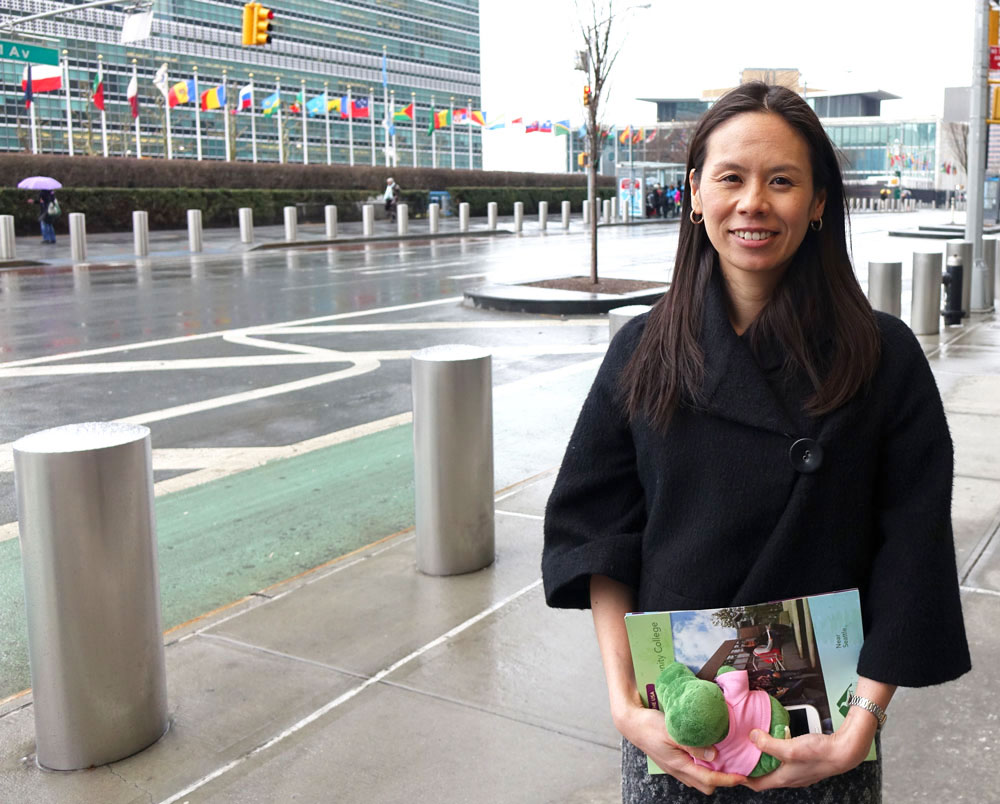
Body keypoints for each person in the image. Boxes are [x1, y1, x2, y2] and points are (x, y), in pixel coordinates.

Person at [542, 82, 970, 802]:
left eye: (781, 181)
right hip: (677, 724)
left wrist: (860, 726)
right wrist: (623, 703)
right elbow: (598, 533)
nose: (753, 203)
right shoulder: (643, 351)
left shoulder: (882, 356)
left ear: (820, 201)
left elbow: (913, 547)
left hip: (821, 731)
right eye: (731, 178)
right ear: (695, 193)